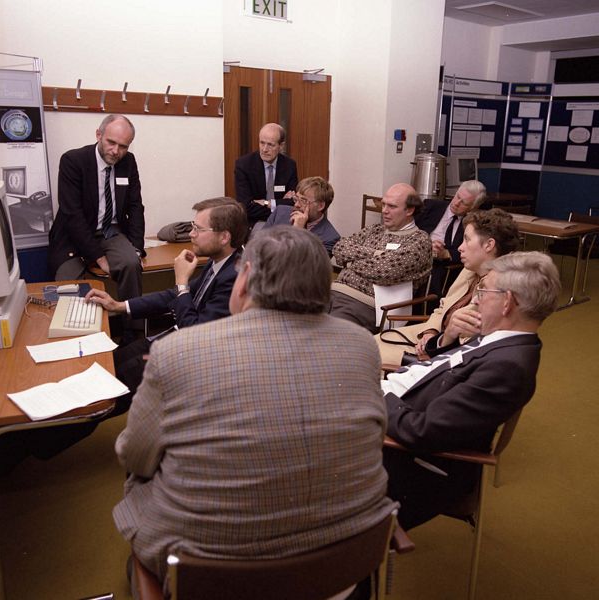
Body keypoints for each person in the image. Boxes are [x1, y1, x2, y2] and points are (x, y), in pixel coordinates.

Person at [112, 226, 396, 595]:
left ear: (243, 280)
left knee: (140, 481)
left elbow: (135, 457)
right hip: (346, 559)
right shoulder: (361, 344)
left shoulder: (178, 352)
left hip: (212, 569)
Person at [382, 251, 561, 530]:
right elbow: (448, 369)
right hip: (400, 405)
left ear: (507, 302)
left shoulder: (507, 369)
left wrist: (377, 398)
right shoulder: (500, 340)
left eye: (483, 291)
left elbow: (423, 431)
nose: (476, 299)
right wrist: (449, 337)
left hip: (409, 465)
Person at [86, 197, 247, 407]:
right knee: (112, 359)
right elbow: (173, 296)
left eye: (198, 229)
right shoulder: (219, 261)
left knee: (109, 388)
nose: (191, 234)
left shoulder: (235, 276)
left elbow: (195, 333)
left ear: (224, 237)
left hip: (188, 356)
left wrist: (181, 281)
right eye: (192, 227)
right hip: (170, 340)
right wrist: (120, 305)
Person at [375, 208, 520, 367]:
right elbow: (443, 307)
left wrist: (435, 344)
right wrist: (430, 331)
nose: (460, 247)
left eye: (466, 239)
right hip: (432, 335)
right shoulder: (471, 270)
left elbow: (465, 343)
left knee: (367, 356)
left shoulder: (497, 290)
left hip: (446, 354)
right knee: (369, 343)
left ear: (489, 245)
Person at [48, 114, 145, 303]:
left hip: (109, 232)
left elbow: (135, 207)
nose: (116, 151)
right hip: (73, 236)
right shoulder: (73, 161)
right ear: (98, 135)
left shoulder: (128, 162)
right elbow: (72, 215)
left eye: (123, 146)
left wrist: (136, 249)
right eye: (111, 142)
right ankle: (79, 331)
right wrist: (100, 258)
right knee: (68, 283)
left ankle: (132, 329)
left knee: (132, 264)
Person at [330, 183, 432, 333]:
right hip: (332, 292)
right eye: (383, 204)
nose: (384, 211)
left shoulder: (419, 241)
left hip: (366, 305)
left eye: (392, 206)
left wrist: (350, 262)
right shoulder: (376, 229)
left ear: (410, 210)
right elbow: (339, 248)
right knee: (293, 321)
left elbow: (384, 272)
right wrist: (376, 254)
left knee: (325, 336)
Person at [415, 180, 486, 306]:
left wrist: (446, 253)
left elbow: (475, 253)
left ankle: (426, 316)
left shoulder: (473, 223)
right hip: (418, 255)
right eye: (457, 196)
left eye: (463, 203)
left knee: (436, 276)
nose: (456, 203)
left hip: (444, 267)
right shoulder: (430, 207)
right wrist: (426, 245)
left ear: (472, 207)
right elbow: (410, 231)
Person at [234, 122, 298, 227]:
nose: (264, 149)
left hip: (283, 222)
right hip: (255, 223)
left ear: (281, 146)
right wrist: (280, 204)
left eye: (270, 145)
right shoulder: (244, 165)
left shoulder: (289, 165)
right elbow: (245, 207)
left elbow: (293, 202)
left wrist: (267, 203)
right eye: (262, 143)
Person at [264, 176, 340, 255]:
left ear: (320, 206)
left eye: (303, 201)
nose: (296, 204)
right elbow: (259, 245)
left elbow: (303, 265)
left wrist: (298, 231)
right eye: (296, 199)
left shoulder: (330, 238)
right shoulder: (280, 212)